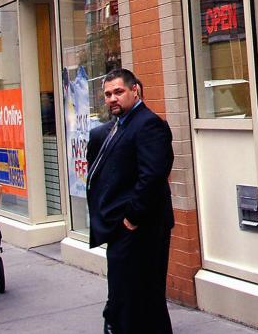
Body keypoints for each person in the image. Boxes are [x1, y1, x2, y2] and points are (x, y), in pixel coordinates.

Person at [86, 69, 175, 333]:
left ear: (135, 90)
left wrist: (131, 218)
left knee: (142, 297)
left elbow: (153, 176)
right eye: (107, 94)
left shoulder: (147, 124)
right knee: (132, 297)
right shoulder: (118, 125)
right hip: (124, 228)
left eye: (118, 92)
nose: (112, 98)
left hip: (141, 228)